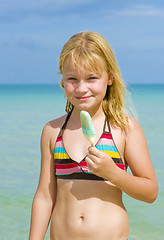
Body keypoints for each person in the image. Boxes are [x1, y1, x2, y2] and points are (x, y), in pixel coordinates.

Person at [29, 31, 158, 240]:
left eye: (91, 78)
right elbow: (45, 196)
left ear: (110, 78)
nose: (81, 88)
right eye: (72, 78)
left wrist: (114, 174)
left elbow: (150, 192)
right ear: (62, 79)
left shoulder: (124, 128)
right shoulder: (52, 131)